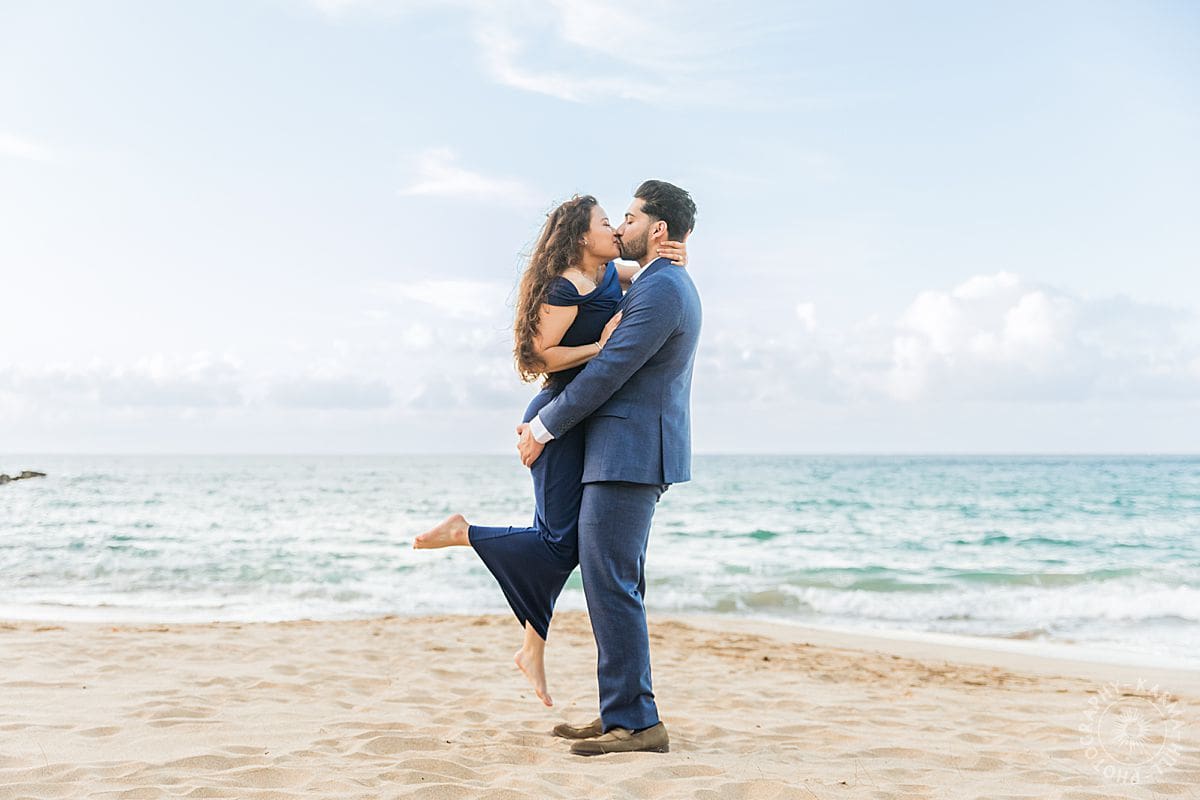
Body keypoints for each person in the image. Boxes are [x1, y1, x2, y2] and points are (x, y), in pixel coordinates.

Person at [412, 193, 686, 710]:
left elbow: (645, 285)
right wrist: (598, 350)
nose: (615, 229)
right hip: (558, 409)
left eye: (621, 221)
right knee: (561, 542)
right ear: (583, 236)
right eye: (607, 222)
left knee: (565, 540)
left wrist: (670, 259)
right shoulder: (564, 286)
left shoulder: (609, 272)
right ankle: (464, 533)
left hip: (581, 419)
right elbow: (539, 354)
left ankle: (531, 646)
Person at [518, 180, 701, 756]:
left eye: (629, 217)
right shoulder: (652, 281)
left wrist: (546, 427)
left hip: (631, 454)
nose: (621, 227)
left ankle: (636, 723)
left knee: (611, 581)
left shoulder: (663, 289)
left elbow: (610, 370)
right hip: (622, 452)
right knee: (616, 581)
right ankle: (624, 711)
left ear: (659, 230)